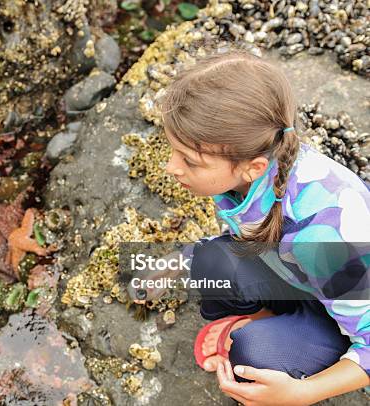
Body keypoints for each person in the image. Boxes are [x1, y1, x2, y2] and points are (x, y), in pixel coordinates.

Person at [152, 49, 369, 405]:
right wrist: (182, 258)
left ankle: (281, 339)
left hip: (349, 312)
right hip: (305, 276)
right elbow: (253, 234)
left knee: (253, 360)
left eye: (189, 160)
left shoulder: (325, 233)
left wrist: (302, 393)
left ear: (252, 166)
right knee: (205, 261)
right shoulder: (251, 169)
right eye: (174, 151)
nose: (170, 168)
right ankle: (262, 314)